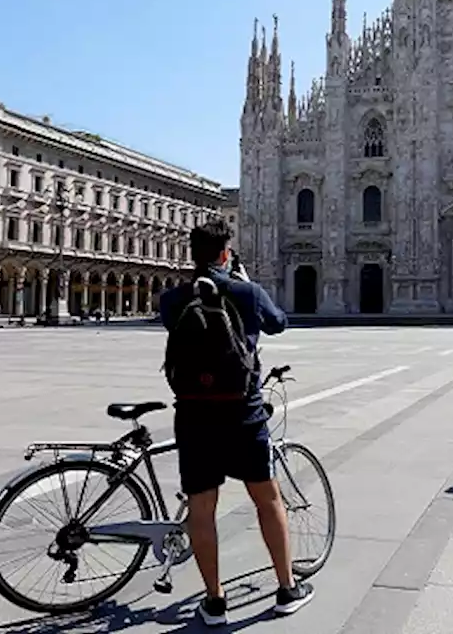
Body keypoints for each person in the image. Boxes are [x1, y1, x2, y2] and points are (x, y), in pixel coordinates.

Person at [158, 220, 314, 624]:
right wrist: (242, 285)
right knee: (268, 500)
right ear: (226, 252)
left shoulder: (173, 300)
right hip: (243, 415)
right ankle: (286, 588)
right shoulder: (246, 292)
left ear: (193, 254)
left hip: (193, 417)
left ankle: (214, 601)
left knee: (202, 509)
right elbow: (279, 322)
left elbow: (173, 327)